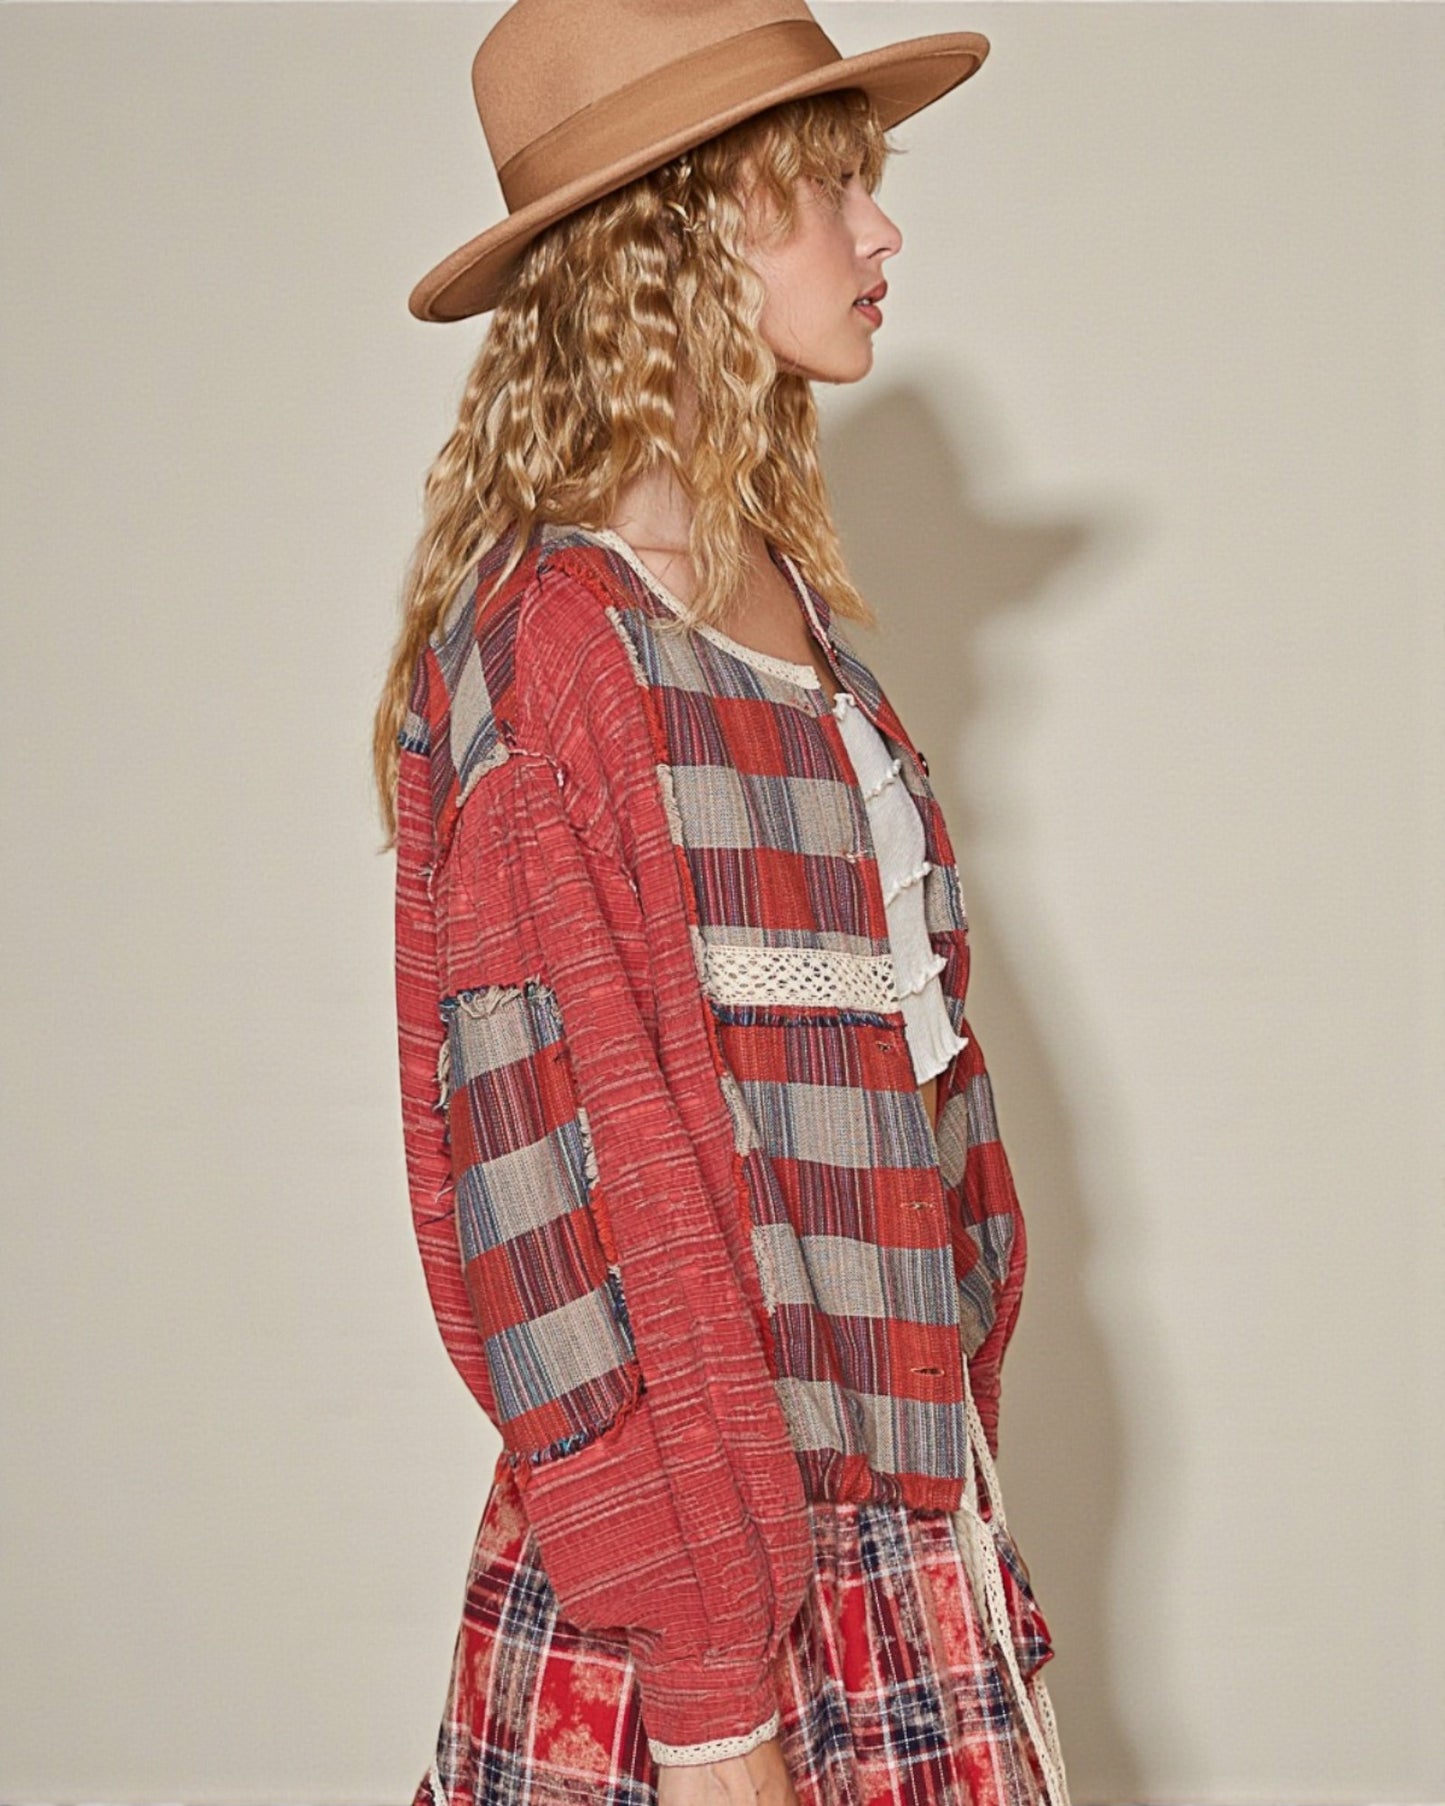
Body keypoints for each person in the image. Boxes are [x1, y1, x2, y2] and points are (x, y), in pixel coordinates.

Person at [373, 4, 1073, 1802]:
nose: (880, 231)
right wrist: (710, 1702)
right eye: (820, 189)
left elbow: (898, 1111)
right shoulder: (558, 659)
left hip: (895, 1542)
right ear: (670, 237)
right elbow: (554, 1209)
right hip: (710, 1628)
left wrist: (949, 1508)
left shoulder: (781, 606)